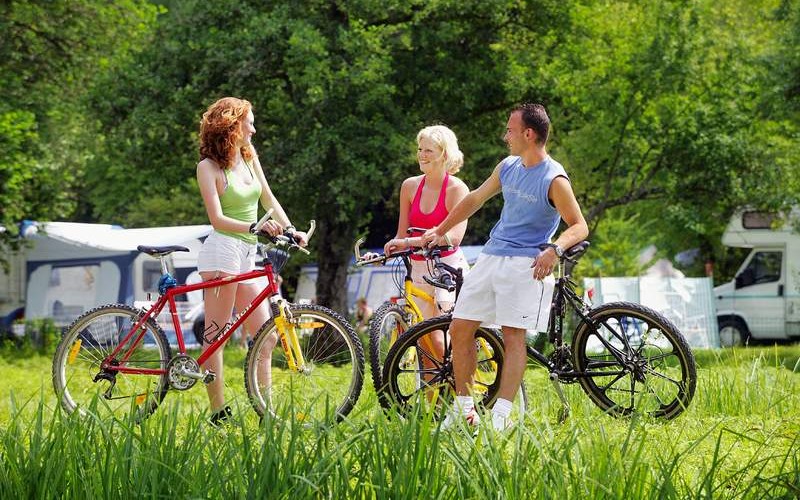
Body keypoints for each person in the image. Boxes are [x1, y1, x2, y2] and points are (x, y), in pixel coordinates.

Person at [422, 103, 589, 431]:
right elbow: (474, 200)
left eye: (510, 131)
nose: (505, 136)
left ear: (529, 134)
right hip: (491, 256)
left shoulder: (554, 178)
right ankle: (463, 409)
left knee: (513, 336)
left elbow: (579, 225)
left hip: (525, 264)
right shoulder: (508, 166)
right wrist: (440, 229)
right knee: (460, 328)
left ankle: (501, 417)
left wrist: (554, 249)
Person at [196, 96, 307, 426]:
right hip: (222, 251)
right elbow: (216, 219)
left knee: (267, 334)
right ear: (233, 124)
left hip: (247, 253)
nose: (255, 129)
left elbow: (268, 198)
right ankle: (218, 412)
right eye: (250, 123)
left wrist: (291, 229)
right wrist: (253, 226)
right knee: (215, 335)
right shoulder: (208, 168)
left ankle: (266, 412)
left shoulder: (248, 156)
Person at [383, 125, 471, 320]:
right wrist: (388, 251)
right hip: (417, 267)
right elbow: (402, 235)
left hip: (447, 265)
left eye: (429, 150)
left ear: (445, 154)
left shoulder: (457, 189)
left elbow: (453, 238)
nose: (422, 155)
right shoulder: (409, 186)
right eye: (420, 149)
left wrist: (406, 243)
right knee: (421, 340)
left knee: (445, 338)